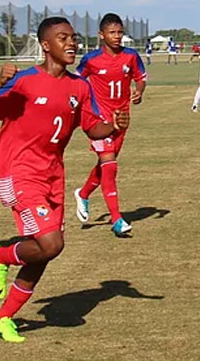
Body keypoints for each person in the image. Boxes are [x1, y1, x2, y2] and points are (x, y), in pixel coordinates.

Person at [0, 17, 129, 343]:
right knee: (50, 243)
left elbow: (92, 128)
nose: (72, 43)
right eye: (63, 38)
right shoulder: (25, 81)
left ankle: (2, 318)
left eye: (73, 38)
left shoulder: (79, 86)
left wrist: (112, 125)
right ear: (45, 45)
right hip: (19, 174)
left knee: (44, 252)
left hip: (53, 177)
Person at [73, 13, 147, 236]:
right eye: (112, 33)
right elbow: (76, 80)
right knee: (110, 164)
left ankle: (83, 194)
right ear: (101, 35)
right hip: (99, 119)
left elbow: (141, 78)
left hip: (122, 119)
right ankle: (117, 220)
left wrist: (139, 92)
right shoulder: (91, 59)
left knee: (106, 164)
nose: (117, 37)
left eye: (120, 32)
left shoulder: (131, 56)